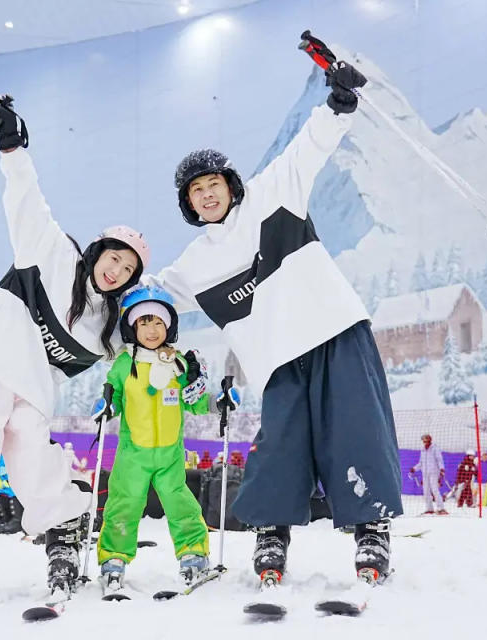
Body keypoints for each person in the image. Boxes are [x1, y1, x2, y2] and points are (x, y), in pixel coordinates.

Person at [147, 47, 400, 586]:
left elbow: (309, 145)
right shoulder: (192, 267)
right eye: (195, 190)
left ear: (230, 183)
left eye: (213, 182)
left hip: (335, 331)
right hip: (279, 364)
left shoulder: (272, 195)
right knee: (280, 444)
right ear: (188, 206)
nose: (207, 193)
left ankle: (371, 528)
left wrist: (338, 100)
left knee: (356, 429)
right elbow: (146, 301)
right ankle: (271, 532)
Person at [0, 94, 151, 603]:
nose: (116, 271)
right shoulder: (53, 253)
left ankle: (62, 545)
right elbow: (26, 197)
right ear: (99, 251)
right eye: (114, 259)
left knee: (39, 466)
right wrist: (12, 143)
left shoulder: (108, 325)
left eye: (127, 271)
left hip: (32, 391)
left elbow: (154, 329)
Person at [91, 285, 239, 590]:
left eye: (158, 322)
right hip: (133, 452)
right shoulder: (123, 364)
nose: (152, 329)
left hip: (170, 452)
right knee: (124, 503)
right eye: (144, 322)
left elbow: (194, 400)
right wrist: (106, 405)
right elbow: (115, 396)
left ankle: (193, 555)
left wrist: (217, 401)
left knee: (180, 502)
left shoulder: (179, 363)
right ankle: (114, 559)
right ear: (132, 327)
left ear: (169, 325)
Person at [411, 434, 447, 515]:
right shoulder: (423, 450)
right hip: (425, 473)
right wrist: (414, 468)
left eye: (425, 440)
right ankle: (429, 508)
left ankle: (441, 508)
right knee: (426, 491)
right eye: (423, 441)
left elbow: (439, 460)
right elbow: (421, 463)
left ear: (429, 440)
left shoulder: (434, 448)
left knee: (434, 489)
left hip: (434, 472)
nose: (424, 442)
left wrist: (442, 468)